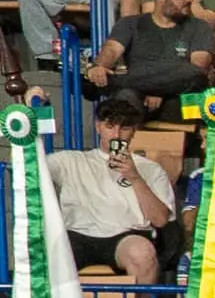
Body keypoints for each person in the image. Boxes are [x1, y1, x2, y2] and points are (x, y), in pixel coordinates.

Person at [50, 97, 174, 283]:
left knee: (143, 253)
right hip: (78, 234)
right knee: (49, 253)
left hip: (128, 234)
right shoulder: (70, 161)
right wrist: (32, 107)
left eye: (124, 128)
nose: (117, 134)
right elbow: (29, 165)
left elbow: (160, 220)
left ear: (133, 132)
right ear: (98, 126)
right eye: (110, 126)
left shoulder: (151, 169)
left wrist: (134, 177)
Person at [87, 0, 212, 119]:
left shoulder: (200, 27)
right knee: (125, 97)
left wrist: (161, 92)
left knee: (193, 77)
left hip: (177, 95)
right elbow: (111, 50)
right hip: (137, 97)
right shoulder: (130, 23)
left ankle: (120, 83)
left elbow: (197, 69)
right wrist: (100, 67)